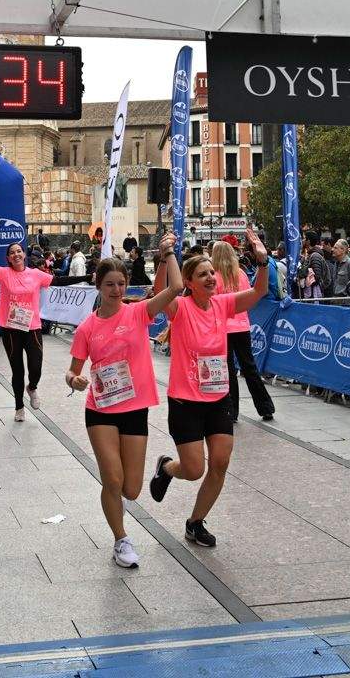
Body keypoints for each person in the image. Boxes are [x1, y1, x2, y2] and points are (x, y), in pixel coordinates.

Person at [65, 234, 186, 569]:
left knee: (132, 489)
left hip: (134, 408)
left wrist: (169, 253)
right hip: (100, 410)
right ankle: (121, 540)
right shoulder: (87, 327)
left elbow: (176, 288)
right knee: (113, 480)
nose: (116, 290)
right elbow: (72, 371)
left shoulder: (138, 314)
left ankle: (153, 477)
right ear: (98, 285)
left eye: (120, 284)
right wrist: (75, 380)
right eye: (109, 285)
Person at [147, 229, 270, 548]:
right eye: (203, 274)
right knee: (193, 468)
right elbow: (161, 290)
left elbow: (258, 293)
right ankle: (167, 468)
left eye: (212, 272)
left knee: (219, 462)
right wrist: (165, 257)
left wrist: (263, 261)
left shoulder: (224, 304)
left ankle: (195, 522)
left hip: (218, 398)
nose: (211, 278)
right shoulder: (179, 308)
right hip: (186, 401)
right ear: (189, 282)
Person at [0, 238, 92, 422]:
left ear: (24, 255)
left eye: (19, 251)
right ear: (8, 258)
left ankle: (32, 388)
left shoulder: (36, 274)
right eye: (12, 253)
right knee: (17, 370)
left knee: (36, 368)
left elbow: (59, 280)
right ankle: (19, 407)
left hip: (32, 328)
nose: (16, 254)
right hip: (10, 328)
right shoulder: (3, 273)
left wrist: (87, 277)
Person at [211, 240, 275, 423]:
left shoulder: (213, 277)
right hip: (241, 325)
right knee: (250, 367)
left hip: (222, 327)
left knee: (229, 369)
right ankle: (265, 407)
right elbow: (251, 296)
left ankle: (232, 411)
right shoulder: (240, 274)